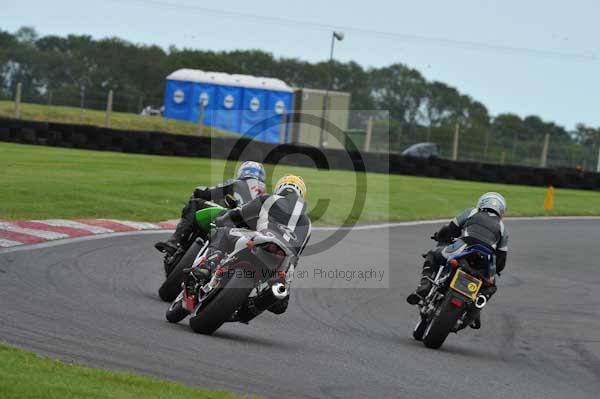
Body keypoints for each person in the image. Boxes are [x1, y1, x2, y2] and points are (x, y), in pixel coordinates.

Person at [183, 174, 312, 315]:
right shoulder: (308, 224)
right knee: (280, 303)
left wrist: (221, 220)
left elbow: (239, 214)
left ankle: (207, 266)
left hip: (263, 239)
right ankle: (252, 307)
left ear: (280, 188)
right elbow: (296, 257)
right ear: (302, 194)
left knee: (223, 231)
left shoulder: (269, 199)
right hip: (284, 259)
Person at [406, 192, 508, 328]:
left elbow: (451, 229)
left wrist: (441, 236)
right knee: (490, 285)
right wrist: (497, 270)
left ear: (482, 203)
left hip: (462, 249)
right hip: (484, 263)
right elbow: (501, 259)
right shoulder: (503, 229)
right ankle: (475, 311)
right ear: (501, 210)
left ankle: (424, 285)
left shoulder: (471, 212)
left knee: (433, 255)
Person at [154, 161, 267, 256]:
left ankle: (175, 242)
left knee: (195, 203)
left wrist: (198, 191)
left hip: (230, 217)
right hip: (251, 230)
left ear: (242, 172)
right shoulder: (265, 194)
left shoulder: (237, 183)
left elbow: (209, 192)